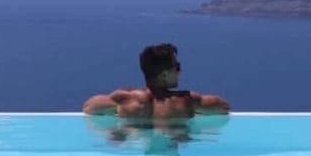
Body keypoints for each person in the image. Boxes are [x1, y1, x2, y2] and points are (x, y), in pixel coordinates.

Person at [82, 43, 230, 119]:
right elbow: (223, 107)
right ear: (164, 75)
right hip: (171, 151)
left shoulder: (124, 99)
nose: (180, 71)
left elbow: (89, 107)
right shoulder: (186, 100)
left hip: (136, 152)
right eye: (177, 67)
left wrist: (126, 93)